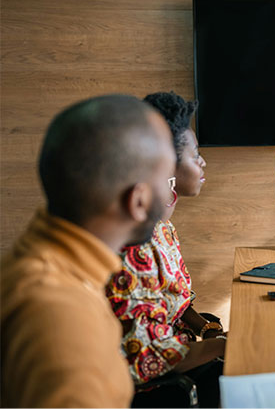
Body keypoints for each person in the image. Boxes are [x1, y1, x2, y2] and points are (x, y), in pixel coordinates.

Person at [0, 95, 176, 407]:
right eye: (167, 179)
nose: (171, 192)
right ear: (138, 201)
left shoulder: (47, 260)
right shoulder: (61, 318)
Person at [105, 92, 224, 408]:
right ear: (165, 165)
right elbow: (146, 358)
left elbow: (177, 302)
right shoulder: (132, 247)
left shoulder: (161, 227)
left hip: (178, 355)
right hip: (155, 387)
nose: (203, 162)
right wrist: (223, 347)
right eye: (195, 154)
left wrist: (209, 329)